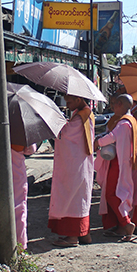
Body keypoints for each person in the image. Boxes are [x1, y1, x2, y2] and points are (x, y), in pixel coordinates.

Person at [48, 94, 95, 247]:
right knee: (81, 197)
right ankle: (84, 233)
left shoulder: (81, 116)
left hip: (75, 164)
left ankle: (72, 237)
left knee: (73, 197)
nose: (67, 104)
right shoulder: (85, 114)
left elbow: (66, 134)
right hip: (81, 161)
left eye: (69, 101)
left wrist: (55, 121)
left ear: (79, 100)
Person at [97, 93, 137, 240]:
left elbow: (111, 138)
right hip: (123, 162)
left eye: (114, 104)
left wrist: (97, 142)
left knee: (112, 194)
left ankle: (126, 223)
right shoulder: (131, 120)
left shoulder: (123, 123)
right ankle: (121, 226)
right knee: (120, 193)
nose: (113, 107)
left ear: (120, 104)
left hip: (118, 165)